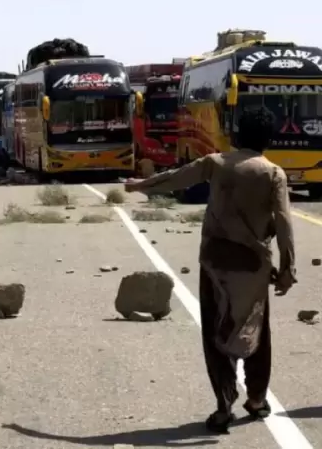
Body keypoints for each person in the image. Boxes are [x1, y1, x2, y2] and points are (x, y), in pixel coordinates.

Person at [125, 107, 296, 433]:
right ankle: (257, 400)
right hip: (253, 267)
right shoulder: (273, 173)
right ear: (268, 140)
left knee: (215, 331)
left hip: (215, 263)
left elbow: (175, 178)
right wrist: (288, 268)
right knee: (257, 332)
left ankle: (223, 403)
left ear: (235, 135)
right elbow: (285, 225)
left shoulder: (215, 163)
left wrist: (139, 185)